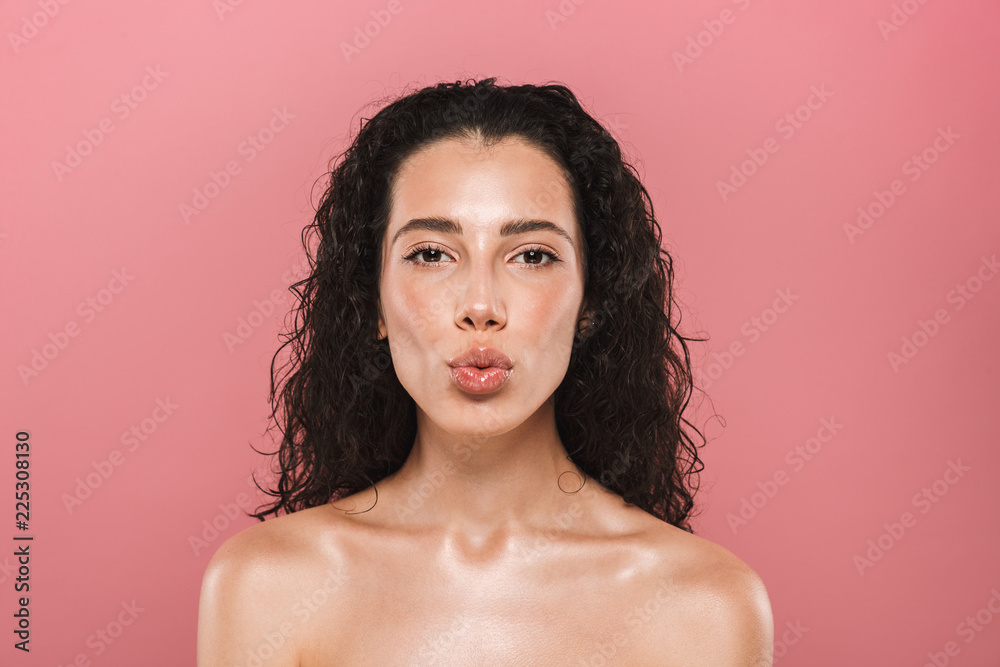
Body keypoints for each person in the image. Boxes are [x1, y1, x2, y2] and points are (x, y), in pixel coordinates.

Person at [197, 77, 773, 665]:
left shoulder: (701, 606)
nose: (480, 307)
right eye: (431, 253)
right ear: (373, 302)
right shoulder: (267, 586)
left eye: (532, 256)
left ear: (590, 302)